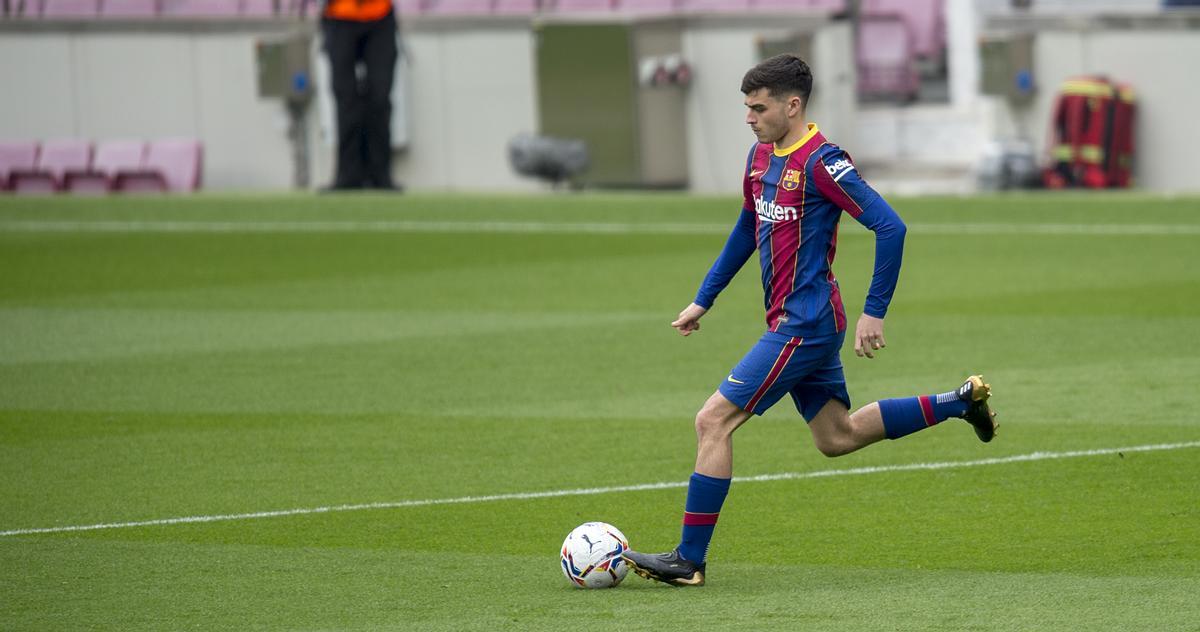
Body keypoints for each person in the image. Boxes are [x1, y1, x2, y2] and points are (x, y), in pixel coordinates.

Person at [621, 54, 998, 587]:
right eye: (747, 108)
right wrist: (705, 298)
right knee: (837, 437)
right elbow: (747, 228)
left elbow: (891, 227)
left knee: (713, 420)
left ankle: (689, 560)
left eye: (758, 107)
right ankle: (958, 403)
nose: (749, 118)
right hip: (799, 321)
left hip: (806, 322)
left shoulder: (823, 161)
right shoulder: (759, 157)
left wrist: (876, 311)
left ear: (792, 105)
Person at [321, 0, 403, 191]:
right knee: (345, 99)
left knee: (380, 97)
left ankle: (380, 175)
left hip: (380, 15)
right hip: (340, 15)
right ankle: (347, 176)